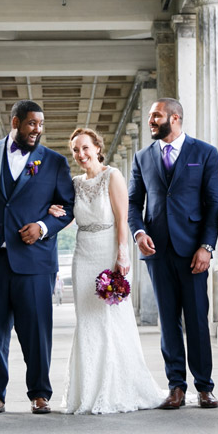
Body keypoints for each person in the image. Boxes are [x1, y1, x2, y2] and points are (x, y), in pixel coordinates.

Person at [0, 100, 75, 415]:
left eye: (40, 125)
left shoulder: (54, 162)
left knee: (37, 331)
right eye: (31, 124)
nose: (37, 130)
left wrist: (43, 226)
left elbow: (67, 207)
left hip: (34, 260)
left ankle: (40, 393)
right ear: (15, 122)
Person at [52, 128, 164, 414]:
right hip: (83, 253)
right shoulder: (75, 183)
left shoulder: (112, 175)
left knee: (111, 319)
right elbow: (69, 215)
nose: (81, 154)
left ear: (97, 148)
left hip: (108, 251)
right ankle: (87, 390)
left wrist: (122, 254)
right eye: (76, 150)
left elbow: (122, 217)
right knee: (87, 321)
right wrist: (53, 213)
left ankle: (117, 386)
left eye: (85, 148)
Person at [128, 98, 218, 410]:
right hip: (157, 251)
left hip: (194, 251)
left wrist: (207, 247)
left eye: (156, 116)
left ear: (175, 117)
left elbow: (214, 204)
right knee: (167, 322)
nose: (151, 122)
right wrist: (139, 232)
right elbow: (133, 202)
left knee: (196, 319)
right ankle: (176, 387)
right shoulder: (142, 157)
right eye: (150, 117)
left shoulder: (204, 152)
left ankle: (205, 387)